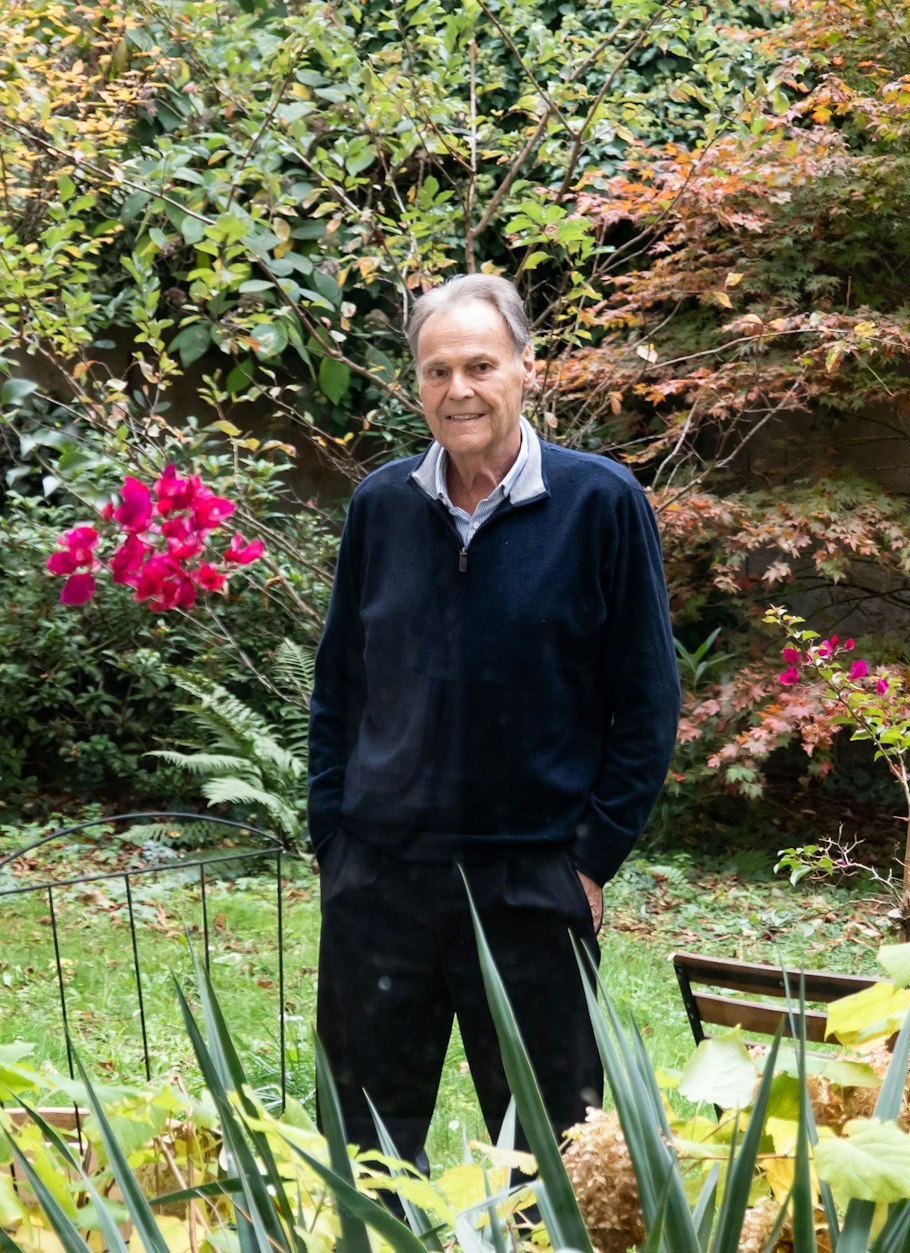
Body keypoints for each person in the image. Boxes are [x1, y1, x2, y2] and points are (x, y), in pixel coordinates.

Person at [307, 272, 681, 1170]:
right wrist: (333, 840)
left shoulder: (600, 503)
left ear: (525, 368)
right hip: (381, 883)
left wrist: (590, 861)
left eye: (480, 364)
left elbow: (649, 696)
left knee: (554, 1155)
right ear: (417, 383)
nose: (458, 390)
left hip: (530, 881)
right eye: (437, 371)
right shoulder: (381, 506)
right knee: (362, 1149)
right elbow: (339, 687)